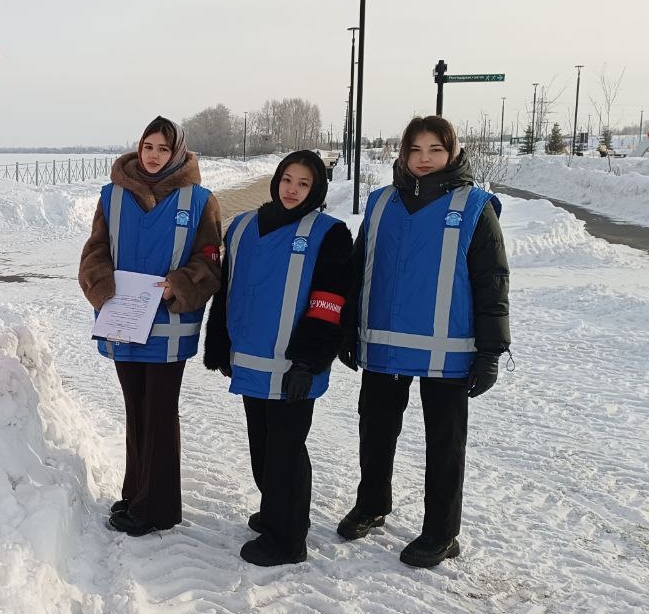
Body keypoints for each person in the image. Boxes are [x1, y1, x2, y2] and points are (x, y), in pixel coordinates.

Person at [336, 115, 510, 568]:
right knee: (375, 434)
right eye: (416, 150)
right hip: (383, 347)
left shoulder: (474, 207)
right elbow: (358, 271)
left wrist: (490, 352)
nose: (425, 159)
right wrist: (347, 328)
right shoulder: (379, 204)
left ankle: (441, 532)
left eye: (435, 150)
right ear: (402, 154)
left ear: (452, 153)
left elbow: (492, 283)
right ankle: (372, 505)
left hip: (448, 354)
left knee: (444, 445)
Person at [203, 151, 353, 566]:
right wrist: (219, 343)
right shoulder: (244, 226)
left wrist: (310, 361)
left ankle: (288, 539)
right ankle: (275, 510)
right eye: (288, 179)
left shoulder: (329, 233)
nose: (292, 189)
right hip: (250, 359)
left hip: (294, 366)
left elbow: (329, 303)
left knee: (287, 450)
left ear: (316, 189)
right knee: (262, 447)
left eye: (304, 184)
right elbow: (226, 290)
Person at [79, 117, 222, 536]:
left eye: (163, 148)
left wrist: (178, 285)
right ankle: (135, 492)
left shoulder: (200, 201)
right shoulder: (112, 196)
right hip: (124, 322)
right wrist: (100, 282)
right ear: (138, 149)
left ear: (176, 152)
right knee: (135, 411)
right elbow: (96, 249)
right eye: (148, 147)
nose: (154, 155)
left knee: (159, 413)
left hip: (168, 325)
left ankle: (157, 507)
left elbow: (210, 261)